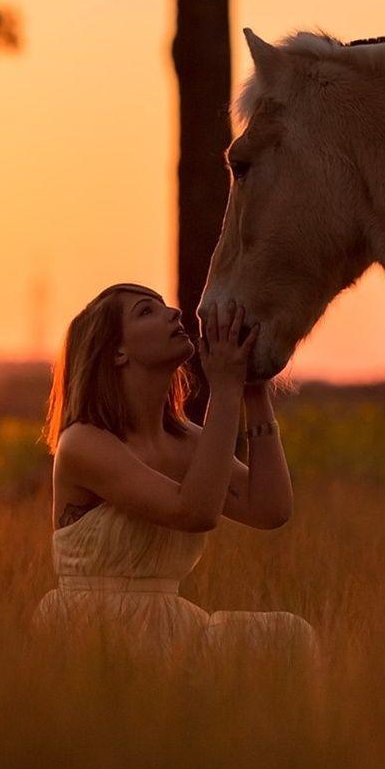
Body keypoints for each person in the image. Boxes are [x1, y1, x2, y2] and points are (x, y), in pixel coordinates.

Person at [33, 282, 316, 663]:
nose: (174, 314)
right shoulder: (83, 443)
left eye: (164, 306)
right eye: (146, 312)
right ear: (116, 351)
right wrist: (225, 390)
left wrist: (254, 389)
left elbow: (270, 509)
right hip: (94, 630)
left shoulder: (185, 441)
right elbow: (193, 512)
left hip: (170, 625)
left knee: (288, 636)